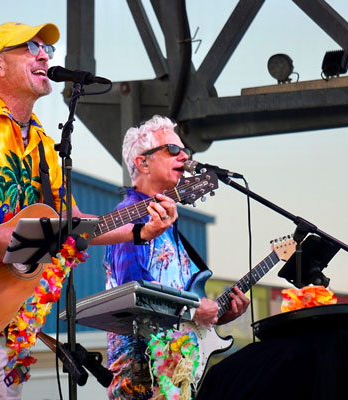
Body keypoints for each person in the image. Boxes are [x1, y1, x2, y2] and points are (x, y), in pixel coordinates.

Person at [0, 22, 177, 399]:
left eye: (47, 49)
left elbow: (73, 226)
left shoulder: (45, 145)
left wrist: (141, 230)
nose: (45, 55)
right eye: (30, 47)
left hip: (11, 312)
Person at [103, 115, 251, 400]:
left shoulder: (168, 224)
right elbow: (135, 292)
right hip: (142, 373)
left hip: (177, 369)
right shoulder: (129, 219)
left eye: (185, 150)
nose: (184, 156)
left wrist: (218, 314)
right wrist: (195, 309)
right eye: (172, 149)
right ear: (142, 163)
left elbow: (179, 303)